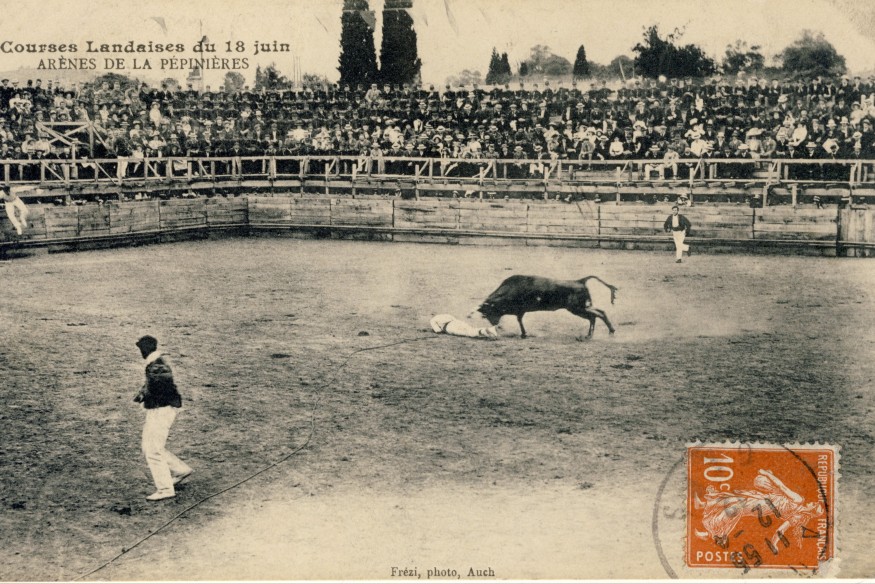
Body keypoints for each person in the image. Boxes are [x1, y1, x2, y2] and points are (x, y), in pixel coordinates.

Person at [133, 335, 192, 501]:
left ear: (145, 349)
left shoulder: (156, 364)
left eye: (141, 349)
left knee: (153, 450)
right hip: (159, 408)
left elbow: (162, 387)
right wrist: (142, 394)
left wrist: (148, 396)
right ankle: (180, 470)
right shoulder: (155, 363)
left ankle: (165, 489)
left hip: (161, 410)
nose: (140, 352)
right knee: (149, 447)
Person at [430, 314, 499, 339]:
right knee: (471, 329)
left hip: (449, 327)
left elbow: (438, 331)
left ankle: (486, 331)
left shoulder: (432, 320)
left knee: (468, 333)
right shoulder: (446, 314)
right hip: (457, 322)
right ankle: (487, 330)